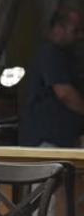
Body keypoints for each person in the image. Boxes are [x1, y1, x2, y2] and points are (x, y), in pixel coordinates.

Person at [20, 8, 84, 147]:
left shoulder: (68, 56)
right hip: (47, 141)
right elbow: (65, 94)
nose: (80, 36)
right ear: (59, 28)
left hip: (63, 139)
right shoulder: (50, 53)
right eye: (75, 31)